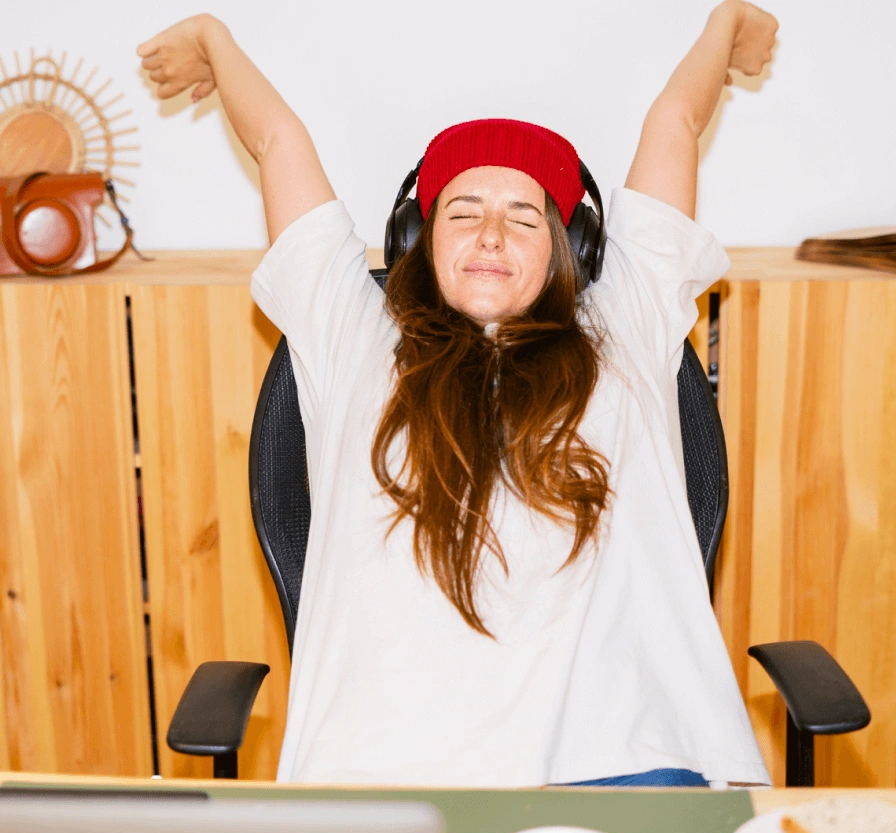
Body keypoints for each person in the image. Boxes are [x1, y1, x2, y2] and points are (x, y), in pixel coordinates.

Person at [138, 1, 778, 788]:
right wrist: (213, 38)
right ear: (418, 240)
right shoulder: (353, 334)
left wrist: (725, 26)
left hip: (625, 760)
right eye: (463, 212)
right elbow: (277, 141)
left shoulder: (626, 324)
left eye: (524, 218)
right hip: (388, 772)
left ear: (569, 250)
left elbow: (675, 122)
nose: (490, 236)